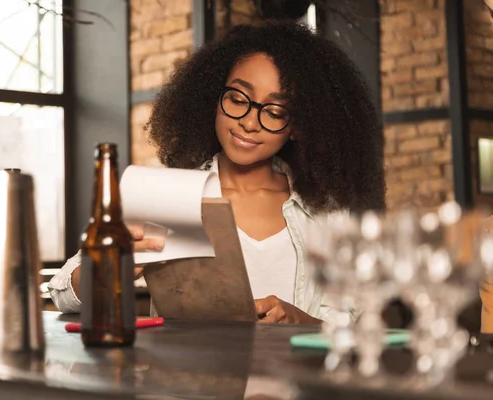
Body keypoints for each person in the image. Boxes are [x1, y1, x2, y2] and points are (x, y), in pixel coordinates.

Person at [48, 20, 385, 324]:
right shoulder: (166, 197)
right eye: (238, 99)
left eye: (275, 110)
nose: (250, 122)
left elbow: (351, 320)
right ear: (213, 97)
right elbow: (63, 293)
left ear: (297, 126)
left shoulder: (323, 211)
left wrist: (300, 320)